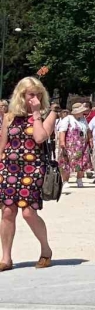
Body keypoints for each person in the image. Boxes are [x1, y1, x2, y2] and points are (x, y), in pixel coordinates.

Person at [0, 77, 57, 270]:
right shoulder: (10, 116)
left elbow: (40, 138)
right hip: (9, 168)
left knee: (28, 213)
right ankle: (6, 258)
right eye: (31, 94)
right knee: (7, 212)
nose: (35, 98)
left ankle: (46, 249)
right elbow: (2, 145)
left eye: (39, 94)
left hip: (33, 169)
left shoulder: (48, 114)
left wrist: (36, 113)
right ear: (21, 95)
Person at [56, 103, 90, 188]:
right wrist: (62, 143)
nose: (83, 113)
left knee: (82, 162)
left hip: (82, 145)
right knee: (66, 163)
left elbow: (87, 130)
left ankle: (79, 179)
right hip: (70, 145)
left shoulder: (83, 119)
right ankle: (65, 181)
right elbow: (62, 131)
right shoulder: (67, 119)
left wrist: (90, 140)